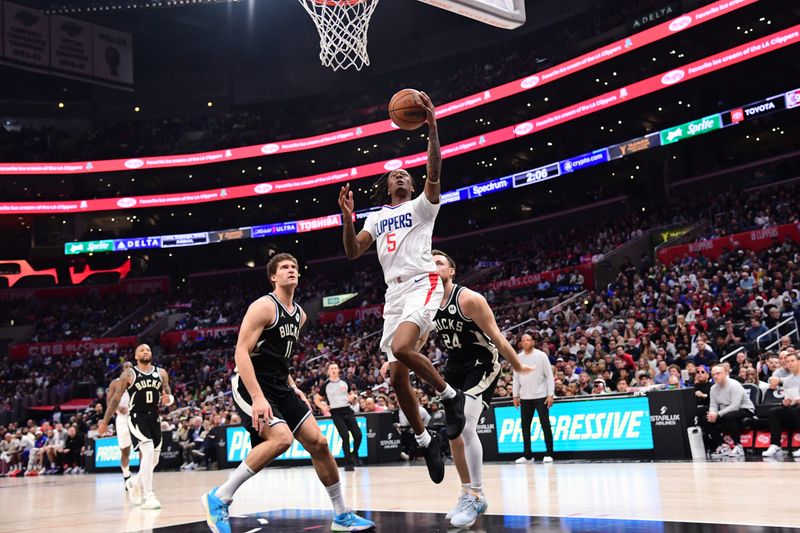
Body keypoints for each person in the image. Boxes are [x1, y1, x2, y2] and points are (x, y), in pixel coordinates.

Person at [338, 91, 465, 484]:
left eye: (405, 174)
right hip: (393, 295)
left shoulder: (424, 206)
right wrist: (346, 218)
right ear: (387, 184)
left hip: (422, 283)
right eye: (395, 174)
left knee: (401, 348)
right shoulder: (376, 218)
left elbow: (435, 169)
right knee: (395, 377)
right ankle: (426, 439)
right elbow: (354, 251)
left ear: (412, 185)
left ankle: (450, 398)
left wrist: (432, 131)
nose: (400, 175)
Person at [201, 254, 374, 533]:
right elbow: (241, 353)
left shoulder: (300, 314)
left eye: (294, 266)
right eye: (284, 268)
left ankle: (342, 515)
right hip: (251, 384)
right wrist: (257, 397)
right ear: (273, 277)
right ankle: (219, 497)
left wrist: (293, 386)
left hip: (280, 385)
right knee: (282, 439)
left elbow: (280, 357)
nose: (291, 270)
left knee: (318, 443)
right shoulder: (263, 306)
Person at [425, 250, 533, 528]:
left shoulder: (469, 299)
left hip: (482, 364)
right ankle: (465, 492)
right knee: (453, 435)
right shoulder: (426, 301)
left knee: (466, 428)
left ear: (451, 271)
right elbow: (421, 337)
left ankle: (477, 494)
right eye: (430, 262)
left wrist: (517, 366)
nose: (433, 266)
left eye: (439, 262)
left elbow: (496, 336)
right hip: (454, 367)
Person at [99, 344, 172, 509]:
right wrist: (104, 422)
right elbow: (115, 400)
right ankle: (148, 495)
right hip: (136, 417)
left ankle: (134, 481)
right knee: (146, 452)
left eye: (148, 349)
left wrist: (169, 400)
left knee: (154, 459)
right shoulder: (128, 375)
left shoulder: (161, 373)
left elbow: (168, 394)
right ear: (136, 356)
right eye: (142, 350)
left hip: (154, 418)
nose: (146, 351)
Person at [513, 333, 555, 465]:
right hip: (525, 397)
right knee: (525, 427)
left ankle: (549, 453)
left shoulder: (541, 356)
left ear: (533, 342)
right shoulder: (517, 357)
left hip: (541, 396)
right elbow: (516, 378)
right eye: (524, 340)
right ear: (521, 343)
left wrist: (550, 394)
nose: (526, 342)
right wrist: (515, 395)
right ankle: (527, 455)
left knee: (545, 425)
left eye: (528, 340)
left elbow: (549, 376)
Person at [315, 362, 363, 472]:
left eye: (335, 368)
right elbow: (316, 399)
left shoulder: (345, 382)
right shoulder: (325, 385)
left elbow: (351, 394)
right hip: (336, 412)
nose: (333, 370)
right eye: (331, 368)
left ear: (338, 370)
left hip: (347, 410)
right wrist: (323, 407)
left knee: (358, 435)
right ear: (328, 371)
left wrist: (353, 397)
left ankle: (355, 453)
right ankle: (348, 462)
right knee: (345, 436)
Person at [704, 365, 755, 458]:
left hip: (745, 409)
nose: (715, 376)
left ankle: (738, 446)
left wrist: (718, 414)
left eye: (718, 373)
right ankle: (723, 446)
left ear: (726, 373)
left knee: (728, 417)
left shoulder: (734, 385)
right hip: (726, 412)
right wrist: (712, 414)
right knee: (706, 419)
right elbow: (713, 405)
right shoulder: (713, 388)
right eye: (713, 374)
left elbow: (735, 406)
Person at [762, 352, 800, 458]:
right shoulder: (787, 380)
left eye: (792, 361)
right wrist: (785, 402)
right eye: (788, 362)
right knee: (774, 412)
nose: (790, 363)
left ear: (799, 362)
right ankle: (775, 445)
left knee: (798, 410)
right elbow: (788, 397)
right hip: (794, 407)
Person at [107, 362, 134, 488]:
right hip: (122, 418)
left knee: (144, 448)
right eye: (126, 367)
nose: (128, 369)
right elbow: (109, 402)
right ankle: (127, 476)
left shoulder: (138, 382)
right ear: (122, 370)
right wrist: (118, 408)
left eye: (130, 367)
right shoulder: (115, 383)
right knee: (125, 451)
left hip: (137, 417)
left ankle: (144, 478)